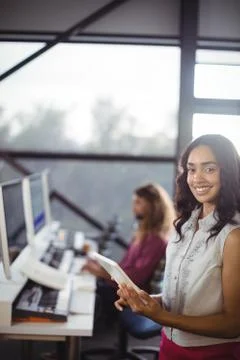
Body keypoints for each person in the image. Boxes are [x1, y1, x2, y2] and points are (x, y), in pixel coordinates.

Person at [115, 134, 240, 359]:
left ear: (228, 173)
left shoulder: (234, 236)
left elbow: (234, 324)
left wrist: (162, 317)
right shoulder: (185, 224)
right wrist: (153, 301)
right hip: (169, 345)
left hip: (210, 353)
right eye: (192, 169)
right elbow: (191, 292)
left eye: (209, 169)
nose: (197, 178)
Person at [82, 182, 175, 327]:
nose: (133, 207)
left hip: (133, 295)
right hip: (120, 287)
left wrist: (99, 272)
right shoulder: (142, 233)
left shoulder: (156, 240)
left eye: (138, 202)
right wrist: (100, 270)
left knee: (83, 294)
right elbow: (124, 266)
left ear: (152, 207)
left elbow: (135, 278)